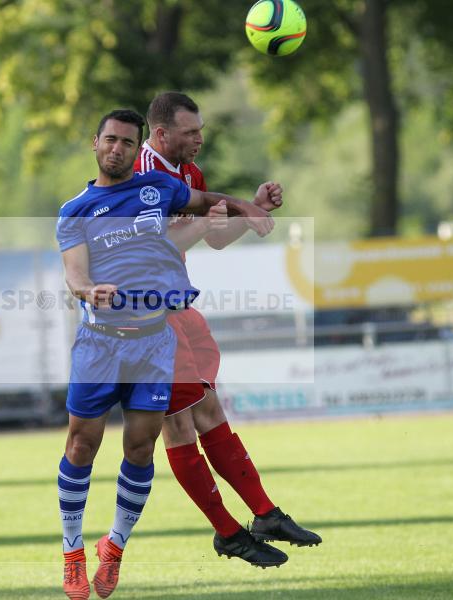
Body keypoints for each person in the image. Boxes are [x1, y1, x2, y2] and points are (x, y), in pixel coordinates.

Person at [56, 108, 275, 600]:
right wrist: (89, 291)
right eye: (109, 140)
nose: (117, 149)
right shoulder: (76, 210)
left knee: (139, 449)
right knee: (81, 447)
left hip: (154, 343)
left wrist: (246, 204)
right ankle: (72, 551)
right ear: (95, 144)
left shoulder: (159, 191)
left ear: (138, 151)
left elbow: (207, 206)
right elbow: (74, 274)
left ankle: (113, 549)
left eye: (126, 143)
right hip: (100, 345)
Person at [134, 91, 322, 567]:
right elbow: (162, 242)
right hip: (143, 316)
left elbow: (212, 238)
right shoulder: (140, 177)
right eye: (190, 131)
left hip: (176, 307)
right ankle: (229, 532)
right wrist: (227, 213)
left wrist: (252, 208)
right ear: (161, 134)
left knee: (208, 410)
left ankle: (262, 514)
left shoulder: (189, 174)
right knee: (178, 425)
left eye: (201, 129)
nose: (199, 138)